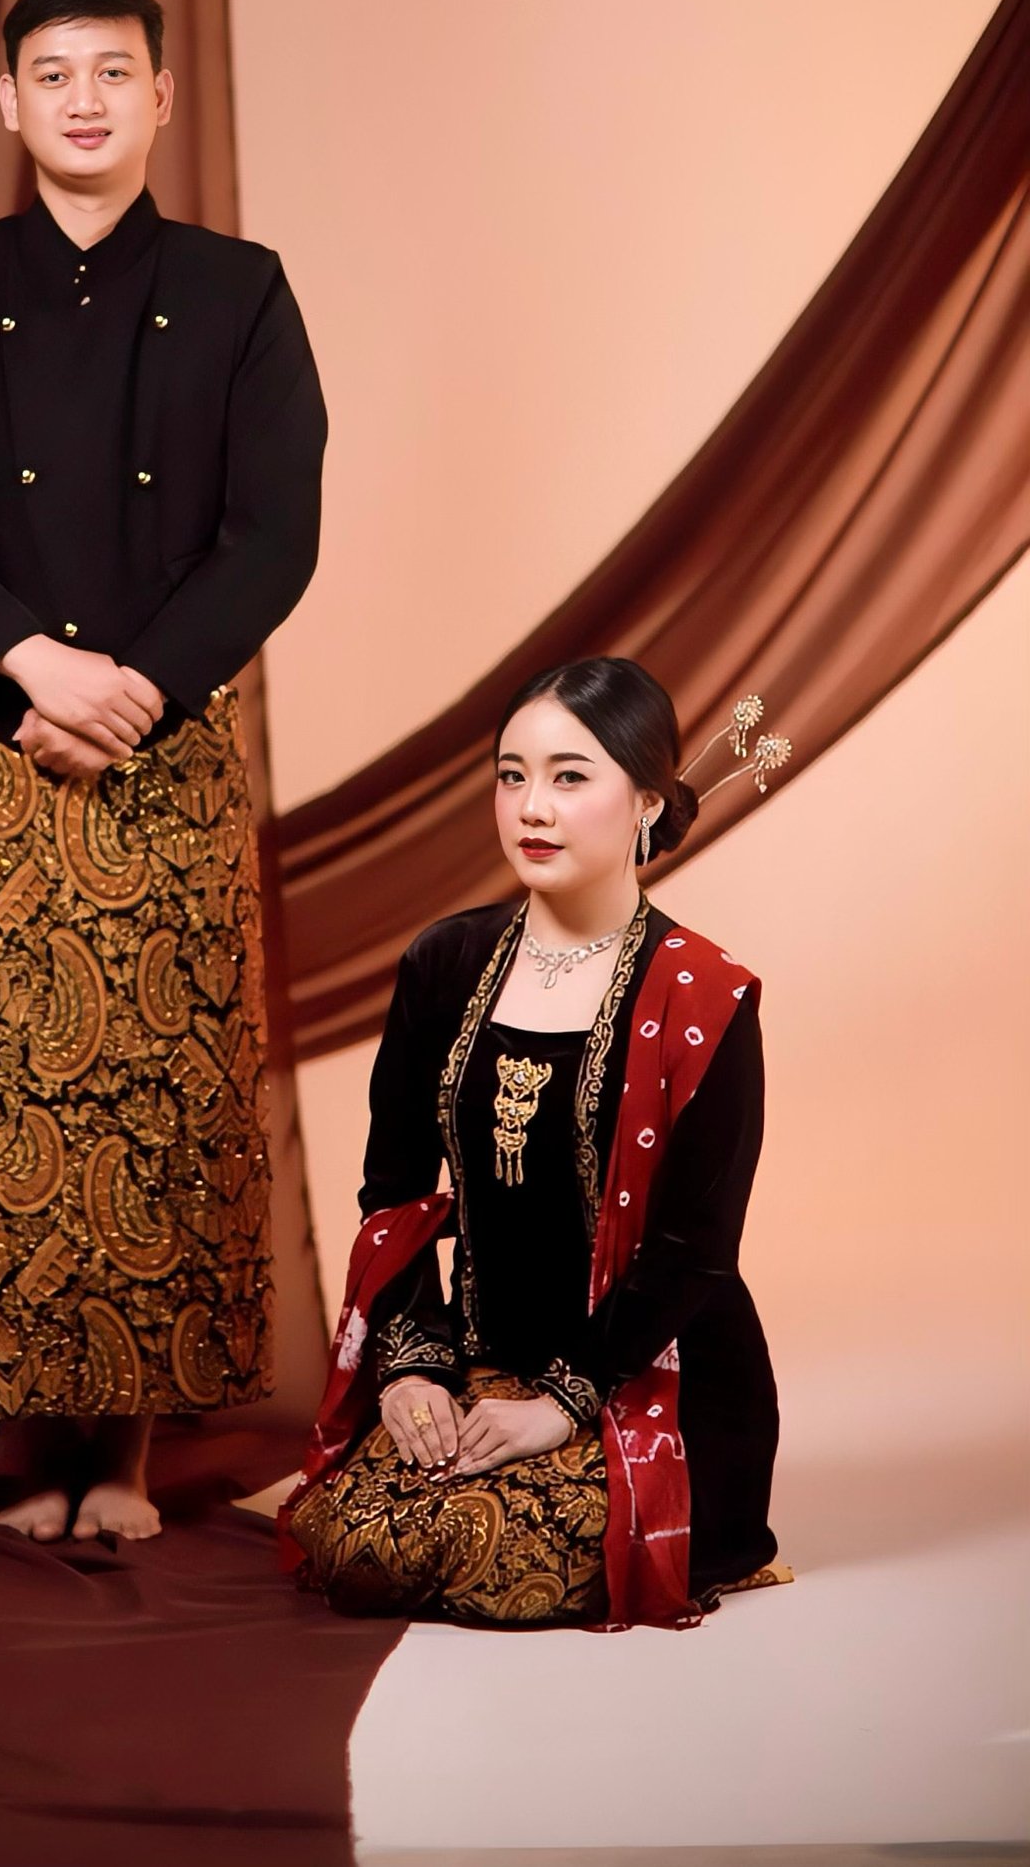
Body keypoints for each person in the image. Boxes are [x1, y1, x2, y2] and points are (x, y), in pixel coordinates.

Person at [0, 0, 326, 1541]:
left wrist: (142, 687)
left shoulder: (243, 290)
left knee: (156, 1090)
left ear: (162, 96)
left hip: (166, 747)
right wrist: (30, 666)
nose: (85, 100)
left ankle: (120, 1465)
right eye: (53, 74)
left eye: (114, 71)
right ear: (9, 102)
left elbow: (276, 533)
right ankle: (35, 1451)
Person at [281, 656, 790, 1628]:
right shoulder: (444, 962)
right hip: (480, 1361)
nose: (531, 808)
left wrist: (560, 1404)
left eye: (569, 777)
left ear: (646, 801)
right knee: (358, 1541)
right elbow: (393, 1193)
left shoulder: (705, 997)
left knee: (494, 1553)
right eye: (511, 775)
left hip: (651, 1377)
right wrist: (413, 1365)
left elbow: (694, 1251)